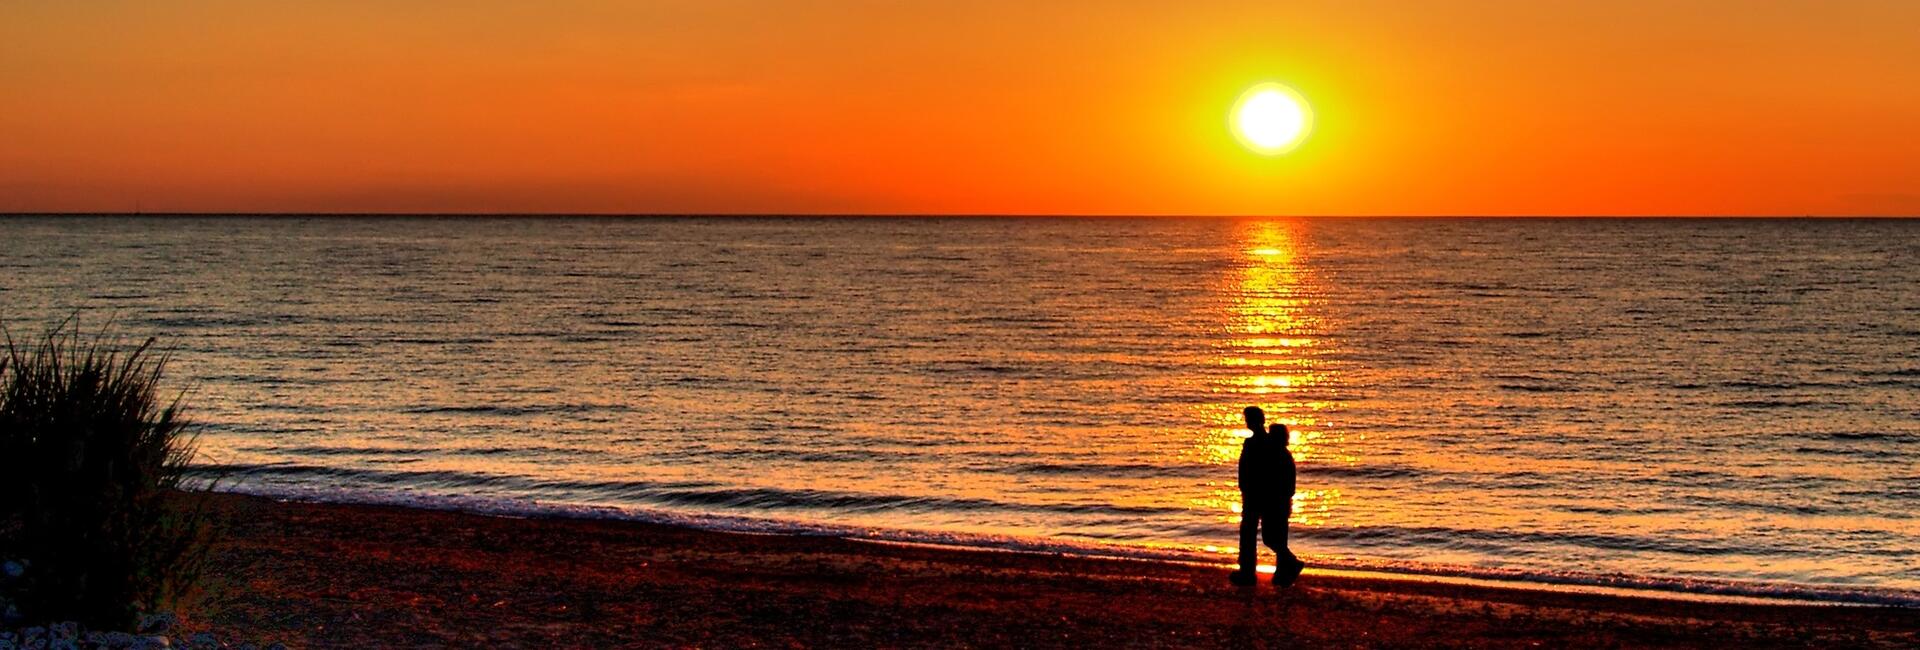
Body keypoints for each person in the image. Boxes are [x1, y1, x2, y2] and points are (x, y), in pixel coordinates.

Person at [1229, 406, 1305, 587]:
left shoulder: (1266, 443)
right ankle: (1254, 573)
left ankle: (1275, 570)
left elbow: (1274, 470)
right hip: (1256, 494)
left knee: (1264, 535)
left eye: (1250, 419)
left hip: (1261, 496)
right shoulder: (1260, 442)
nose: (1248, 422)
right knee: (1257, 535)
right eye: (1247, 419)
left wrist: (1282, 494)